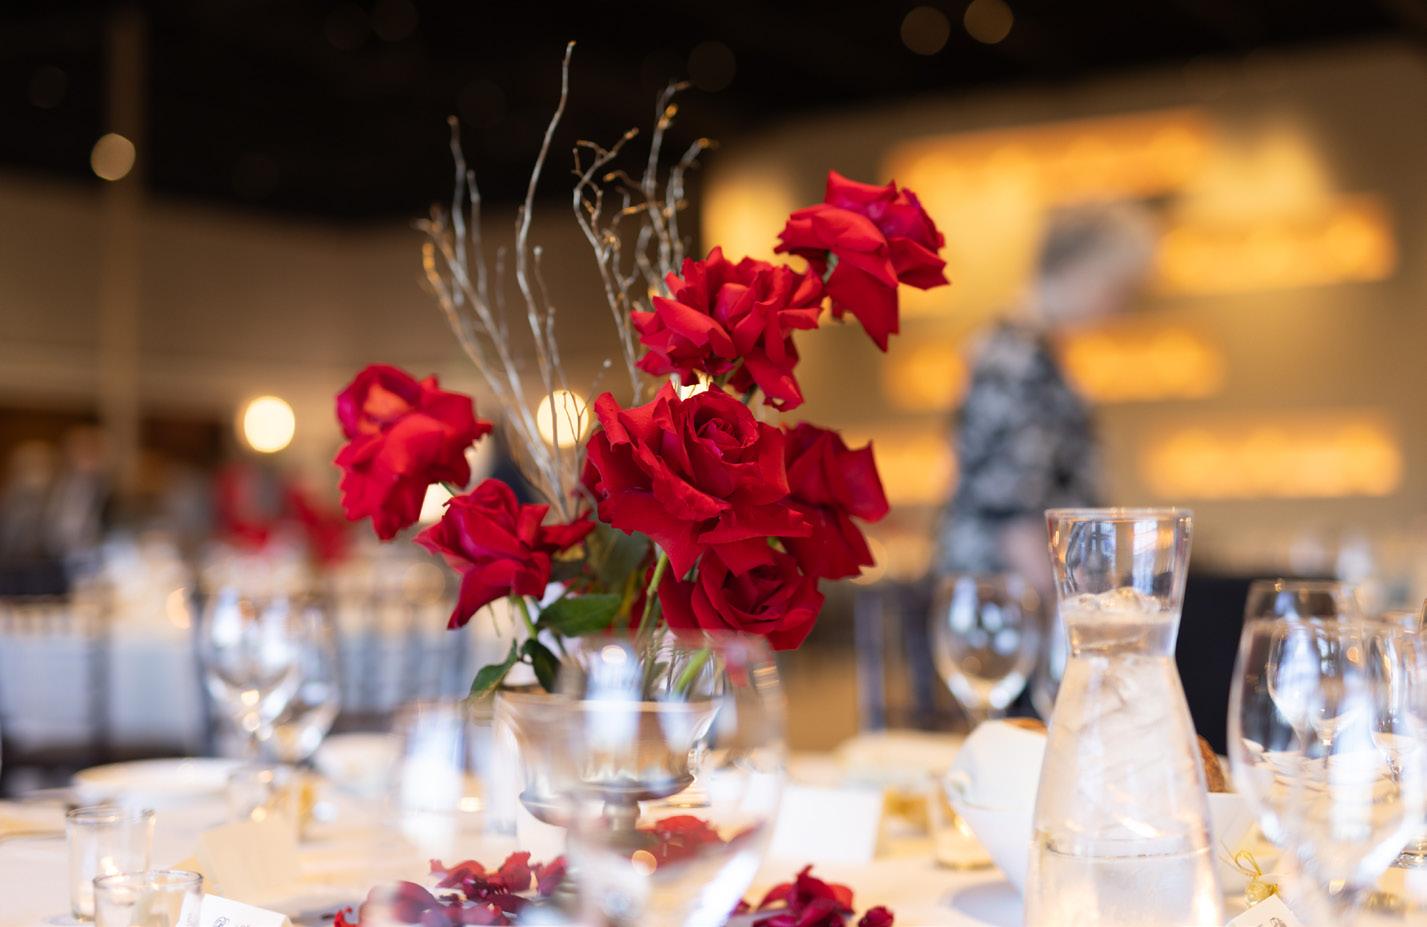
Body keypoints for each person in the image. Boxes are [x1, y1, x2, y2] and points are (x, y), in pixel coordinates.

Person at [935, 202, 1156, 600]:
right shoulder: (1015, 360)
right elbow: (1011, 508)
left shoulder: (1030, 354)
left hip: (1020, 595)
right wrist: (1072, 606)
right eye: (1117, 289)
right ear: (1079, 270)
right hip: (1011, 602)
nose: (1120, 308)